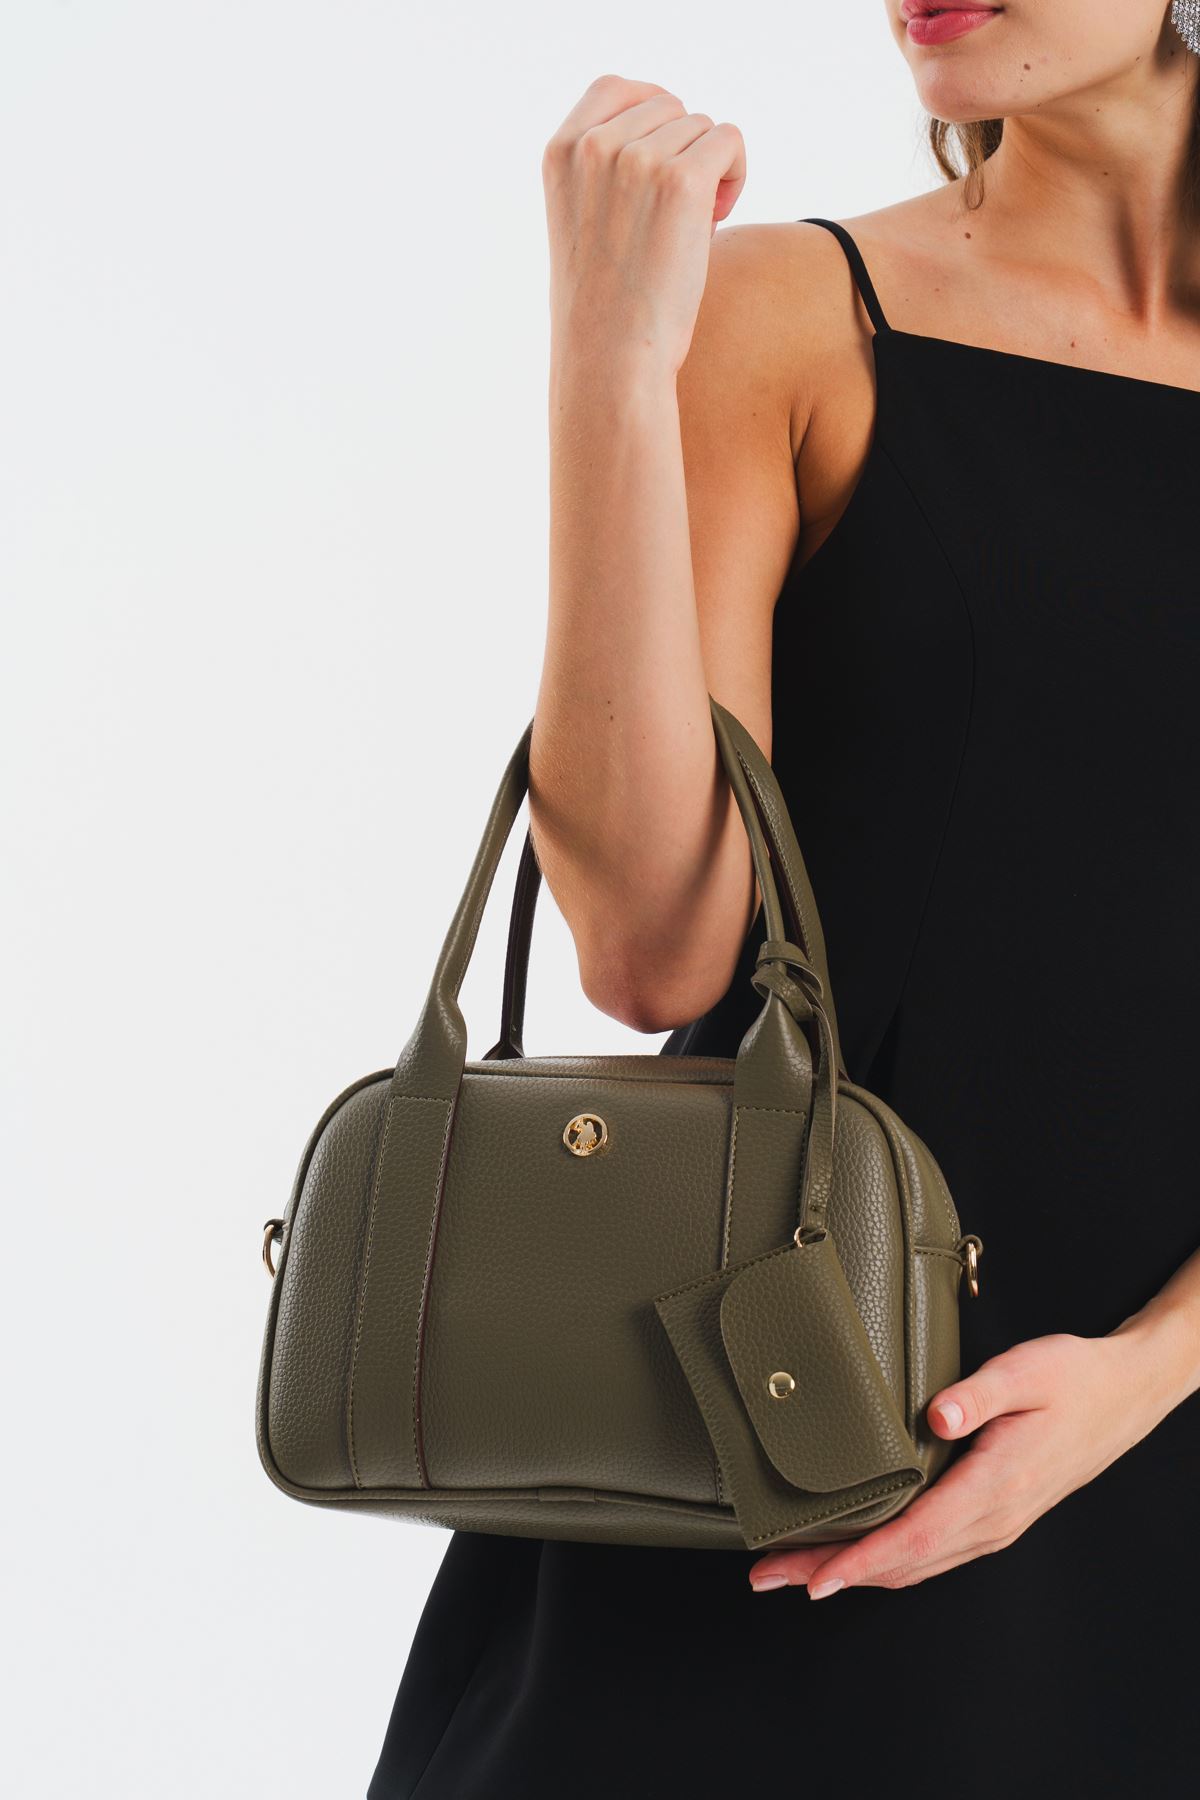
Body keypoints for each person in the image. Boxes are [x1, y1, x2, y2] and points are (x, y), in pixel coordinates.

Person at [368, 5, 1200, 1793]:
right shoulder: (793, 319)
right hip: (765, 1441)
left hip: (1153, 1499)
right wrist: (611, 357)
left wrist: (1144, 1377)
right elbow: (652, 951)